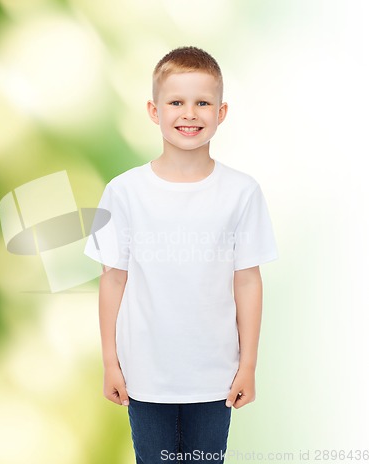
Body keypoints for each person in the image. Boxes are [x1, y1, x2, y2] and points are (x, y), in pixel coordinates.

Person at [84, 46, 278, 464]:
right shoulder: (125, 192)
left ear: (221, 112)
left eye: (202, 103)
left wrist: (249, 365)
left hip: (215, 377)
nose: (189, 114)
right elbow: (112, 278)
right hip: (145, 375)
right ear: (154, 111)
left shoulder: (241, 192)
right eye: (176, 102)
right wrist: (109, 362)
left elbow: (247, 280)